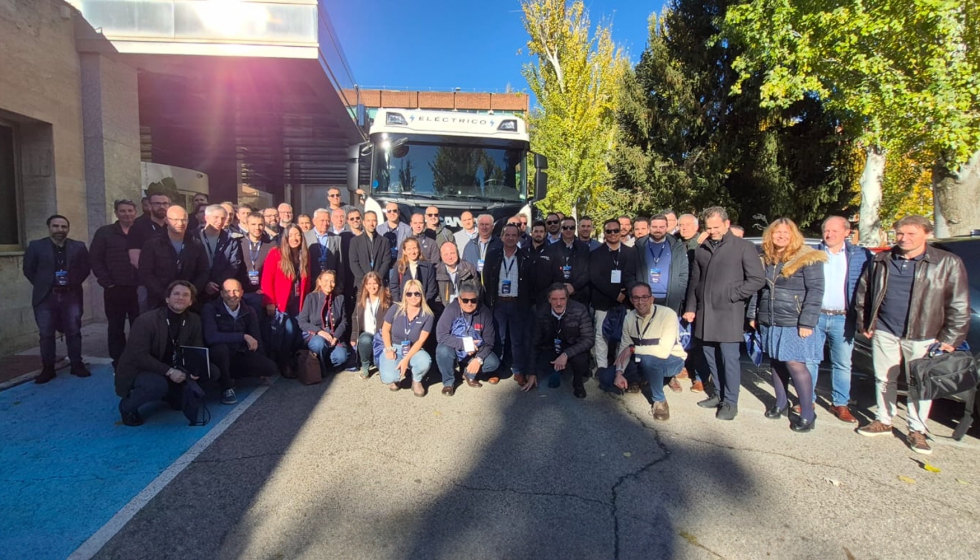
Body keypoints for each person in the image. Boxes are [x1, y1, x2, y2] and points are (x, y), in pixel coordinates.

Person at [854, 215, 970, 455]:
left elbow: (959, 304)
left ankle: (916, 428)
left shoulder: (947, 262)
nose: (904, 238)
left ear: (926, 234)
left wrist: (950, 339)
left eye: (911, 234)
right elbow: (864, 292)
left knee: (921, 383)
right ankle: (884, 420)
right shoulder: (882, 259)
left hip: (925, 333)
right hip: (885, 329)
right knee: (884, 377)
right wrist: (865, 322)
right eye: (900, 233)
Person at [683, 207, 765, 420]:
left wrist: (733, 294)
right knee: (710, 357)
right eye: (709, 228)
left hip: (729, 313)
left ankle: (730, 402)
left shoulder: (743, 247)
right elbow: (695, 281)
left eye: (716, 227)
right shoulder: (702, 249)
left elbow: (757, 279)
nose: (712, 231)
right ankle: (718, 394)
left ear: (727, 224)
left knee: (729, 359)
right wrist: (691, 308)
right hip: (705, 313)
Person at [747, 218, 826, 432]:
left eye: (785, 232)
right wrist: (753, 313)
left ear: (793, 235)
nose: (781, 236)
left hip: (795, 320)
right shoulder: (766, 258)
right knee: (776, 362)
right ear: (770, 235)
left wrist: (807, 321)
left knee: (795, 364)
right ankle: (780, 403)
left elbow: (816, 291)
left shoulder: (808, 257)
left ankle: (808, 414)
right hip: (770, 318)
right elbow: (758, 289)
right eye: (776, 232)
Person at [115, 280, 214, 426]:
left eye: (185, 295)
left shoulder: (194, 320)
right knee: (156, 386)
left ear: (190, 302)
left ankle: (169, 394)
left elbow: (196, 347)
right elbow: (139, 356)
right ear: (167, 298)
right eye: (176, 294)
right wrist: (169, 372)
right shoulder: (145, 321)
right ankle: (127, 407)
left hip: (173, 366)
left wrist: (192, 370)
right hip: (141, 369)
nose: (180, 297)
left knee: (212, 372)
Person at [805, 216, 872, 423]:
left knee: (842, 363)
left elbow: (869, 288)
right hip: (816, 315)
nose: (830, 234)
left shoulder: (861, 256)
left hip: (844, 318)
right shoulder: (812, 254)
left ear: (846, 232)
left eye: (835, 231)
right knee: (810, 360)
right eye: (826, 230)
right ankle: (808, 400)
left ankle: (840, 403)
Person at [23, 215, 92, 383]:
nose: (60, 230)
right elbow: (29, 269)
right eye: (56, 226)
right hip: (46, 297)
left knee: (74, 332)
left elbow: (85, 267)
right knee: (46, 334)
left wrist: (73, 282)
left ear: (68, 228)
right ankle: (48, 368)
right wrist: (43, 284)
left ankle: (76, 364)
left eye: (63, 227)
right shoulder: (36, 246)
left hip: (71, 295)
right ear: (49, 227)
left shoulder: (78, 246)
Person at [606, 282, 687, 420]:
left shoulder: (667, 315)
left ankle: (659, 400)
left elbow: (663, 352)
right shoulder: (629, 317)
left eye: (644, 297)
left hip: (672, 359)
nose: (640, 301)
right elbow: (624, 347)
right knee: (606, 378)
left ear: (652, 299)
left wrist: (633, 349)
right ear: (631, 300)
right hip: (642, 358)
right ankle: (642, 379)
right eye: (636, 298)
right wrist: (619, 373)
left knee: (649, 360)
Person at [635, 214, 690, 393]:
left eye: (661, 227)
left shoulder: (676, 246)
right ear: (649, 227)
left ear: (667, 227)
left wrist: (677, 293)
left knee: (669, 339)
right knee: (645, 337)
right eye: (655, 226)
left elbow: (683, 274)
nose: (658, 230)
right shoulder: (640, 245)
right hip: (645, 300)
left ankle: (670, 375)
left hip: (669, 299)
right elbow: (632, 270)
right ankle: (646, 374)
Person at [202, 278, 278, 404]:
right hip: (217, 356)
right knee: (220, 349)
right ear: (221, 294)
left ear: (242, 292)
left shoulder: (249, 310)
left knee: (269, 368)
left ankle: (230, 375)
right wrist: (242, 336)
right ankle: (226, 388)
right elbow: (211, 337)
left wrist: (261, 365)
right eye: (227, 291)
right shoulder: (210, 309)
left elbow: (256, 338)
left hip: (239, 354)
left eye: (236, 291)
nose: (232, 295)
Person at [482, 225, 536, 385]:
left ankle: (518, 371)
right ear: (502, 237)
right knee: (499, 338)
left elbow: (531, 283)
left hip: (517, 304)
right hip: (498, 303)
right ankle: (496, 370)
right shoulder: (492, 256)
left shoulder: (525, 257)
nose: (511, 238)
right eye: (508, 235)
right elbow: (486, 278)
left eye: (514, 235)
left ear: (519, 237)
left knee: (517, 340)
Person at [91, 199, 140, 369]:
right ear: (116, 213)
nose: (127, 214)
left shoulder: (142, 231)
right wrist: (107, 283)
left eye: (130, 210)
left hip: (139, 287)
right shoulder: (105, 233)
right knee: (116, 326)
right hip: (115, 288)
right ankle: (118, 361)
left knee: (139, 325)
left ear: (135, 212)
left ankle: (137, 358)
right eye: (123, 211)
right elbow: (95, 259)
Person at [525, 283, 594, 398]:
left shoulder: (579, 309)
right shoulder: (541, 313)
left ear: (567, 298)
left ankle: (578, 383)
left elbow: (589, 338)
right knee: (544, 358)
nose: (558, 303)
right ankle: (556, 371)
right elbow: (535, 343)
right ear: (549, 300)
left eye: (562, 299)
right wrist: (531, 373)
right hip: (551, 346)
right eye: (554, 299)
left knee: (581, 360)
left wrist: (566, 354)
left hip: (572, 346)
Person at [260, 224, 311, 376]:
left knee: (297, 331)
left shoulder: (304, 255)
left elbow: (306, 282)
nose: (295, 238)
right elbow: (266, 279)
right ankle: (283, 363)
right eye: (292, 235)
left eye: (298, 235)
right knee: (287, 330)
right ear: (286, 237)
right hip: (280, 301)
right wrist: (269, 301)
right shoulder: (276, 253)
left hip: (297, 301)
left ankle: (293, 360)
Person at [435, 281, 501, 395]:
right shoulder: (451, 309)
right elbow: (441, 336)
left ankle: (468, 373)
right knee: (442, 350)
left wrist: (478, 359)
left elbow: (489, 341)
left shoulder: (484, 312)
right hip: (454, 348)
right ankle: (448, 382)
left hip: (475, 351)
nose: (469, 303)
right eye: (465, 300)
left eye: (473, 300)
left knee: (493, 363)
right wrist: (465, 344)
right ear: (459, 299)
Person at [589, 219, 638, 371]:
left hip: (625, 302)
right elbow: (595, 277)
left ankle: (620, 369)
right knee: (601, 335)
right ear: (604, 233)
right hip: (603, 301)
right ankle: (602, 367)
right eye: (609, 231)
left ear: (621, 231)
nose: (612, 234)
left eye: (615, 230)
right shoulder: (595, 254)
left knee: (623, 337)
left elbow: (633, 275)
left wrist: (626, 293)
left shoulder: (631, 253)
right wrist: (615, 293)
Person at [138, 205, 209, 310]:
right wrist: (166, 295)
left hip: (189, 302)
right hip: (158, 302)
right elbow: (146, 272)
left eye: (184, 220)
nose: (180, 223)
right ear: (167, 220)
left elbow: (203, 271)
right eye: (175, 220)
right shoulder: (153, 243)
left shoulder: (196, 244)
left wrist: (190, 293)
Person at [378, 278, 435, 395]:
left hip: (414, 348)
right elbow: (385, 329)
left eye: (417, 293)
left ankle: (416, 380)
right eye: (409, 293)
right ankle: (396, 378)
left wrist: (406, 359)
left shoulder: (428, 315)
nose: (413, 297)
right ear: (405, 295)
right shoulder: (395, 308)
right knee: (389, 377)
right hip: (394, 346)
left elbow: (420, 341)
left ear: (422, 294)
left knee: (425, 361)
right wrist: (388, 348)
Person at [297, 270, 349, 379]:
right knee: (319, 344)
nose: (329, 284)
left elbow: (344, 322)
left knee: (341, 357)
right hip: (315, 335)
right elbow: (302, 321)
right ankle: (319, 369)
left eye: (332, 281)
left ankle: (320, 362)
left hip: (333, 335)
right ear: (319, 282)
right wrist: (319, 332)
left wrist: (336, 337)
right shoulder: (311, 297)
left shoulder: (340, 298)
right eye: (326, 281)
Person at [197, 204, 243, 303]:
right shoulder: (193, 238)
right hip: (196, 289)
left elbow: (233, 265)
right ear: (206, 217)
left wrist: (216, 283)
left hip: (220, 290)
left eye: (223, 218)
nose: (220, 221)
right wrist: (204, 283)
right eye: (216, 217)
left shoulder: (230, 240)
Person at [350, 272, 392, 379]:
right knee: (364, 340)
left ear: (379, 284)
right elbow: (355, 318)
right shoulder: (361, 300)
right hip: (366, 333)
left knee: (386, 372)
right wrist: (354, 336)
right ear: (365, 285)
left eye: (375, 283)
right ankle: (365, 365)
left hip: (382, 334)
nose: (372, 286)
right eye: (369, 283)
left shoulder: (387, 300)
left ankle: (379, 364)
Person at [545, 216, 591, 306]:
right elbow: (548, 273)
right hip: (557, 296)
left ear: (575, 229)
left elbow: (587, 272)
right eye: (565, 227)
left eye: (572, 227)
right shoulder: (551, 249)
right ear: (561, 229)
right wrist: (561, 287)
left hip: (579, 296)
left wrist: (574, 286)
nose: (568, 230)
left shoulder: (584, 248)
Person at [239, 212, 275, 316]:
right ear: (247, 225)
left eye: (260, 224)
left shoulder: (271, 245)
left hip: (261, 293)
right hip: (241, 292)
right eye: (253, 224)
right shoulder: (238, 243)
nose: (257, 228)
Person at [350, 210, 393, 289]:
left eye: (374, 220)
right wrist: (366, 280)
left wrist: (377, 279)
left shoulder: (384, 241)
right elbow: (354, 263)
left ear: (377, 222)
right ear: (364, 222)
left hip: (378, 283)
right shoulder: (355, 241)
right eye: (368, 220)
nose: (371, 223)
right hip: (361, 284)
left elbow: (386, 262)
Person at [390, 237, 438, 306]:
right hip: (404, 306)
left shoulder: (428, 266)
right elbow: (394, 286)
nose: (412, 252)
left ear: (419, 249)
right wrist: (399, 303)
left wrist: (424, 304)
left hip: (423, 306)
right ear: (404, 251)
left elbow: (432, 289)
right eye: (409, 249)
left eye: (414, 248)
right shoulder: (399, 266)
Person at [128, 193, 169, 266]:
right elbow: (134, 258)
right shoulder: (137, 227)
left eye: (165, 203)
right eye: (157, 204)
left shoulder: (174, 226)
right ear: (150, 206)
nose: (162, 206)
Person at [435, 241, 478, 310]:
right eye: (446, 254)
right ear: (440, 255)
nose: (449, 257)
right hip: (444, 310)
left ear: (457, 252)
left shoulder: (469, 268)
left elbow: (477, 291)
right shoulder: (436, 271)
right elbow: (435, 296)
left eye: (452, 253)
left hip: (466, 308)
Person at [305, 208, 343, 283]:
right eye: (322, 220)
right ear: (314, 221)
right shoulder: (305, 237)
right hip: (312, 281)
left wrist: (340, 284)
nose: (325, 223)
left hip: (330, 282)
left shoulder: (336, 238)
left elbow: (340, 264)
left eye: (328, 221)